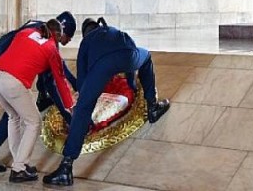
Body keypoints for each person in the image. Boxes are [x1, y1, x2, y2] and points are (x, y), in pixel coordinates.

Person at [43, 17, 170, 186]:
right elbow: (131, 51)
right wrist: (131, 84)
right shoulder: (113, 30)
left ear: (85, 32)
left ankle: (66, 168)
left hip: (101, 67)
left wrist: (85, 99)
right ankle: (152, 108)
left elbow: (82, 80)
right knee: (146, 57)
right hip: (128, 56)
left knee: (83, 109)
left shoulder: (87, 41)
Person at [0, 12, 78, 173]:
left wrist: (75, 86)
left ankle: (15, 160)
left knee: (13, 115)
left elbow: (58, 70)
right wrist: (70, 115)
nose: (69, 41)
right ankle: (17, 167)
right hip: (13, 76)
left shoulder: (32, 31)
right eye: (69, 37)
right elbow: (55, 81)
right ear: (61, 33)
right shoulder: (51, 45)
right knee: (33, 121)